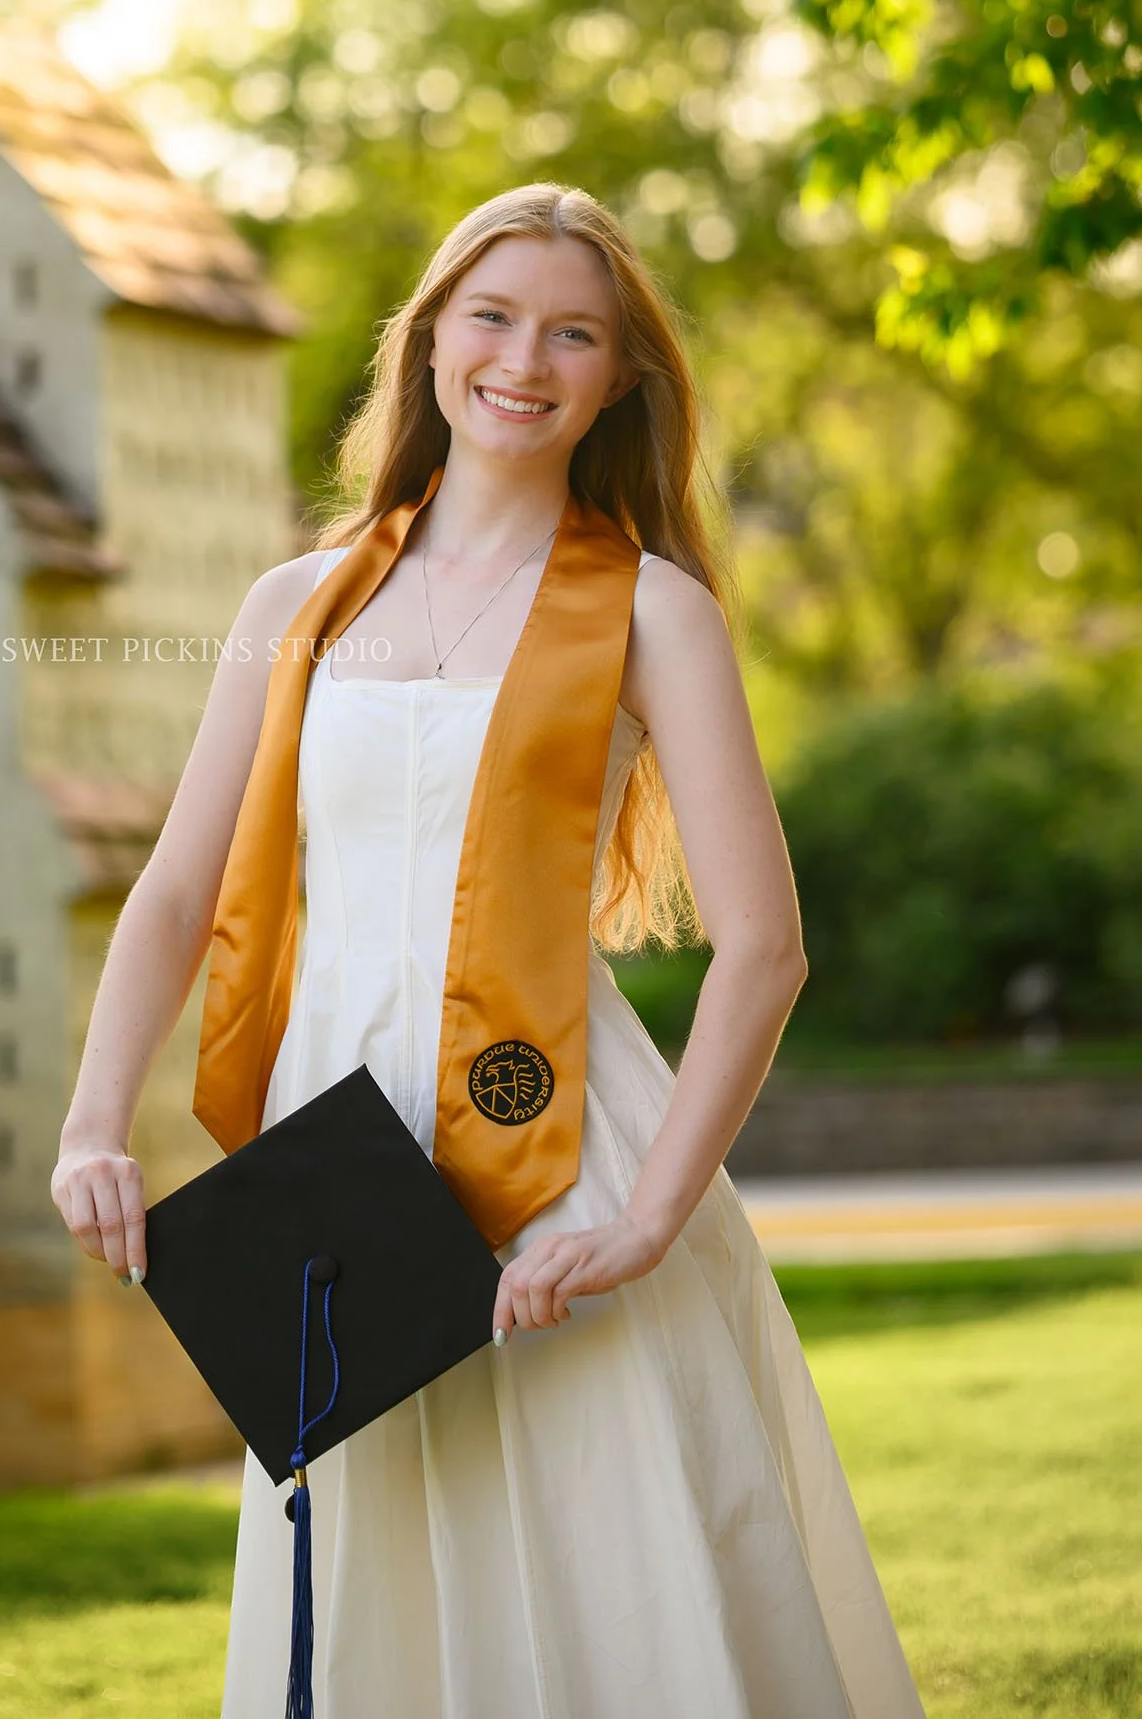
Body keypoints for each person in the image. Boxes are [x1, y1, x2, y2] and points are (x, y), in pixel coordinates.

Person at [51, 184, 927, 1718]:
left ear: (617, 380)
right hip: (337, 1169)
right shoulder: (297, 602)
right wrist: (88, 1127)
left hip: (561, 1161)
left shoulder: (651, 613)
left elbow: (763, 951)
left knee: (616, 1591)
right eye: (494, 316)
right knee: (380, 1594)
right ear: (432, 340)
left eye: (574, 333)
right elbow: (178, 887)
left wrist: (647, 1226)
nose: (525, 359)